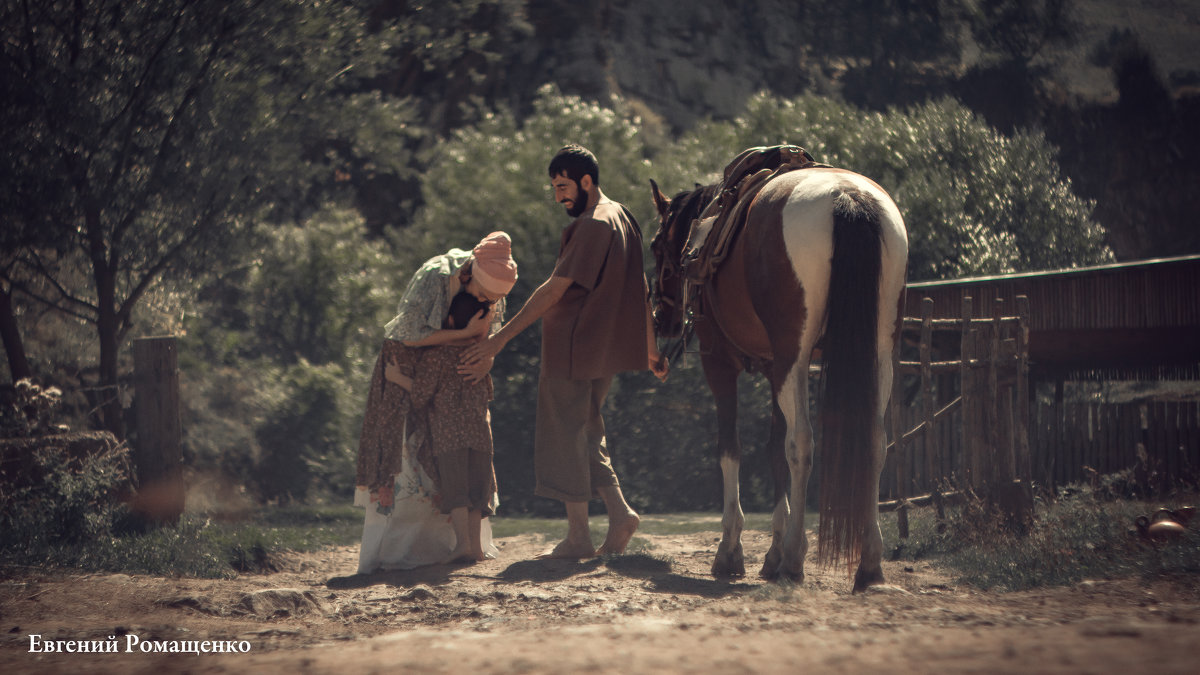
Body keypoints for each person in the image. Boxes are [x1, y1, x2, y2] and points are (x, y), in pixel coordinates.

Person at [461, 145, 668, 559]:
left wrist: (498, 340)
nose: (559, 197)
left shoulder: (592, 225)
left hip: (574, 346)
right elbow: (640, 287)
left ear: (586, 181)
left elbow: (554, 290)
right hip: (604, 350)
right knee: (588, 431)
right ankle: (621, 514)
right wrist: (649, 347)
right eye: (555, 188)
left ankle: (578, 537)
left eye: (563, 186)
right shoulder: (624, 217)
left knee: (566, 436)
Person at [354, 232, 518, 572]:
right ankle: (419, 546)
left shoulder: (487, 300)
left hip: (436, 383)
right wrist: (463, 338)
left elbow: (427, 391)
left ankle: (459, 545)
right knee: (406, 453)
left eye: (494, 300)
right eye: (485, 297)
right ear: (470, 273)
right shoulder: (434, 277)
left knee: (455, 482)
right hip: (410, 355)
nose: (489, 305)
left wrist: (484, 355)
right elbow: (409, 335)